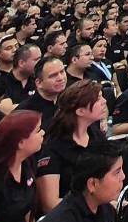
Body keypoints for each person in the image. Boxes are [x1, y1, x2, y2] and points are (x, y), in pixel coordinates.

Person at [35, 80, 109, 213]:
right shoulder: (53, 147)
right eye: (98, 99)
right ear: (80, 111)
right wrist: (95, 203)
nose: (104, 101)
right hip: (68, 217)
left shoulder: (96, 136)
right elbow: (50, 203)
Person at [16, 57, 68, 129]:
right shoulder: (25, 112)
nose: (61, 78)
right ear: (39, 83)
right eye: (53, 75)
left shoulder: (69, 100)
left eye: (62, 71)